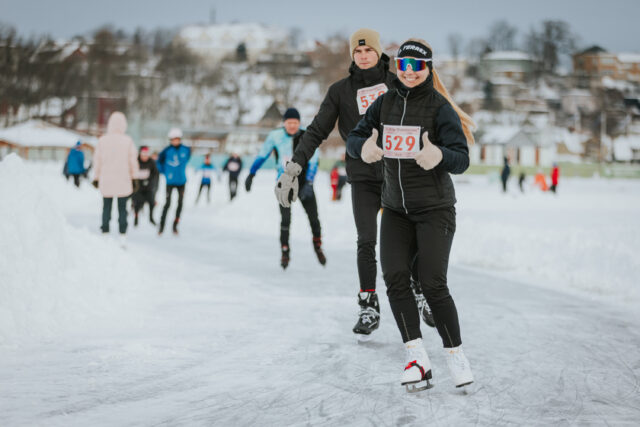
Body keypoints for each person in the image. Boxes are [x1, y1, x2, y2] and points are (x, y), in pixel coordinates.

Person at [274, 29, 423, 339]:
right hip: (363, 177)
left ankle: (419, 291)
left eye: (368, 50)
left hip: (398, 175)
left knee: (408, 239)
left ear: (379, 52)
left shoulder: (398, 84)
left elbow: (423, 120)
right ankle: (368, 304)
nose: (363, 55)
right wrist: (293, 168)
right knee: (366, 240)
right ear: (352, 56)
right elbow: (315, 132)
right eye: (358, 51)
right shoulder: (340, 91)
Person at [347, 38, 475, 391]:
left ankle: (455, 355)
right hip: (396, 210)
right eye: (403, 66)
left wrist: (440, 157)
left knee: (433, 283)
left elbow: (461, 158)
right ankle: (417, 358)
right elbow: (354, 139)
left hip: (435, 210)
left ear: (428, 69)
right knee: (396, 279)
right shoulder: (384, 104)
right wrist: (366, 147)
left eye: (417, 67)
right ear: (396, 69)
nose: (410, 73)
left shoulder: (440, 109)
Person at [247, 108, 325, 269]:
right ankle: (285, 251)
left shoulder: (306, 135)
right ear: (284, 123)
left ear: (299, 123)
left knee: (314, 219)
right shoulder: (275, 136)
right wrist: (251, 174)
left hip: (304, 182)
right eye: (289, 123)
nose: (292, 126)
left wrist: (309, 182)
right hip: (284, 184)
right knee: (285, 219)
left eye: (295, 123)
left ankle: (317, 245)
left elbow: (314, 160)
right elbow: (263, 154)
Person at [92, 112, 139, 247]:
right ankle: (122, 236)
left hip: (106, 180)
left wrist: (96, 177)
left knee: (106, 207)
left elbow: (97, 161)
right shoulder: (128, 141)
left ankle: (105, 233)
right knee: (122, 209)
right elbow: (133, 161)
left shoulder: (102, 140)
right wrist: (134, 178)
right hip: (123, 181)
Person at [157, 128, 191, 235]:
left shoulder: (186, 149)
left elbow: (186, 159)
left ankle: (175, 225)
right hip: (170, 182)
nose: (175, 141)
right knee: (167, 203)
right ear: (170, 140)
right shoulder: (166, 151)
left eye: (177, 139)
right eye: (173, 139)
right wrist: (165, 172)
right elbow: (159, 162)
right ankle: (161, 226)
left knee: (180, 204)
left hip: (181, 181)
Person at [132, 145, 159, 226]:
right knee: (137, 203)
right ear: (140, 154)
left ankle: (151, 217)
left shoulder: (151, 162)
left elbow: (155, 174)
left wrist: (149, 180)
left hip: (148, 187)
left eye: (146, 154)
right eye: (143, 154)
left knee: (152, 202)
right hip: (138, 187)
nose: (145, 156)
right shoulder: (135, 161)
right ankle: (136, 217)